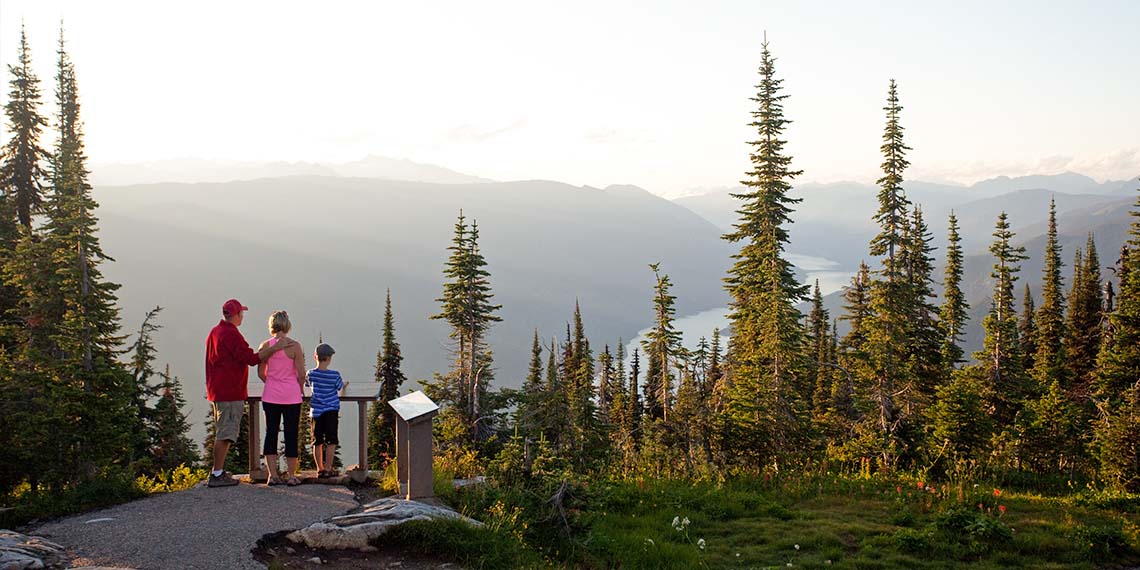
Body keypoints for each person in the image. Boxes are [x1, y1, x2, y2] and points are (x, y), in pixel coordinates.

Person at [204, 299, 294, 488]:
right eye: (241, 313)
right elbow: (251, 359)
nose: (242, 316)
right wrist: (275, 348)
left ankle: (218, 471)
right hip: (229, 392)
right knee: (225, 433)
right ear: (235, 315)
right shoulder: (231, 335)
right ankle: (217, 474)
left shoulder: (215, 332)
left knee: (224, 431)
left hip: (217, 389)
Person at [257, 310, 306, 486]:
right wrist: (299, 388)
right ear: (287, 325)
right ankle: (292, 476)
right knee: (291, 433)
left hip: (271, 395)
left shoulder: (265, 346)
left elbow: (261, 373)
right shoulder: (294, 346)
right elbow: (301, 373)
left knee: (271, 433)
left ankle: (272, 475)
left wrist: (271, 382)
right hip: (292, 396)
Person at [306, 343, 347, 478]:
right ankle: (328, 468)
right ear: (329, 358)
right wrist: (345, 384)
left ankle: (320, 469)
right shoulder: (334, 375)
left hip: (316, 411)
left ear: (315, 357)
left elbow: (306, 386)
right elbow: (340, 387)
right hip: (331, 410)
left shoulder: (311, 374)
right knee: (331, 440)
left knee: (317, 441)